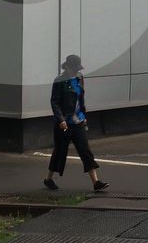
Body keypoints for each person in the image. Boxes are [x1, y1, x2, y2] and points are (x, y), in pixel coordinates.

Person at [44, 54, 108, 193]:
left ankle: (96, 182)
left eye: (78, 69)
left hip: (78, 122)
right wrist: (61, 119)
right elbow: (55, 102)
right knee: (60, 151)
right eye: (74, 68)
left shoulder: (79, 78)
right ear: (67, 67)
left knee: (85, 150)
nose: (76, 71)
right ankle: (49, 178)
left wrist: (82, 115)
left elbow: (80, 98)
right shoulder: (59, 81)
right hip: (64, 123)